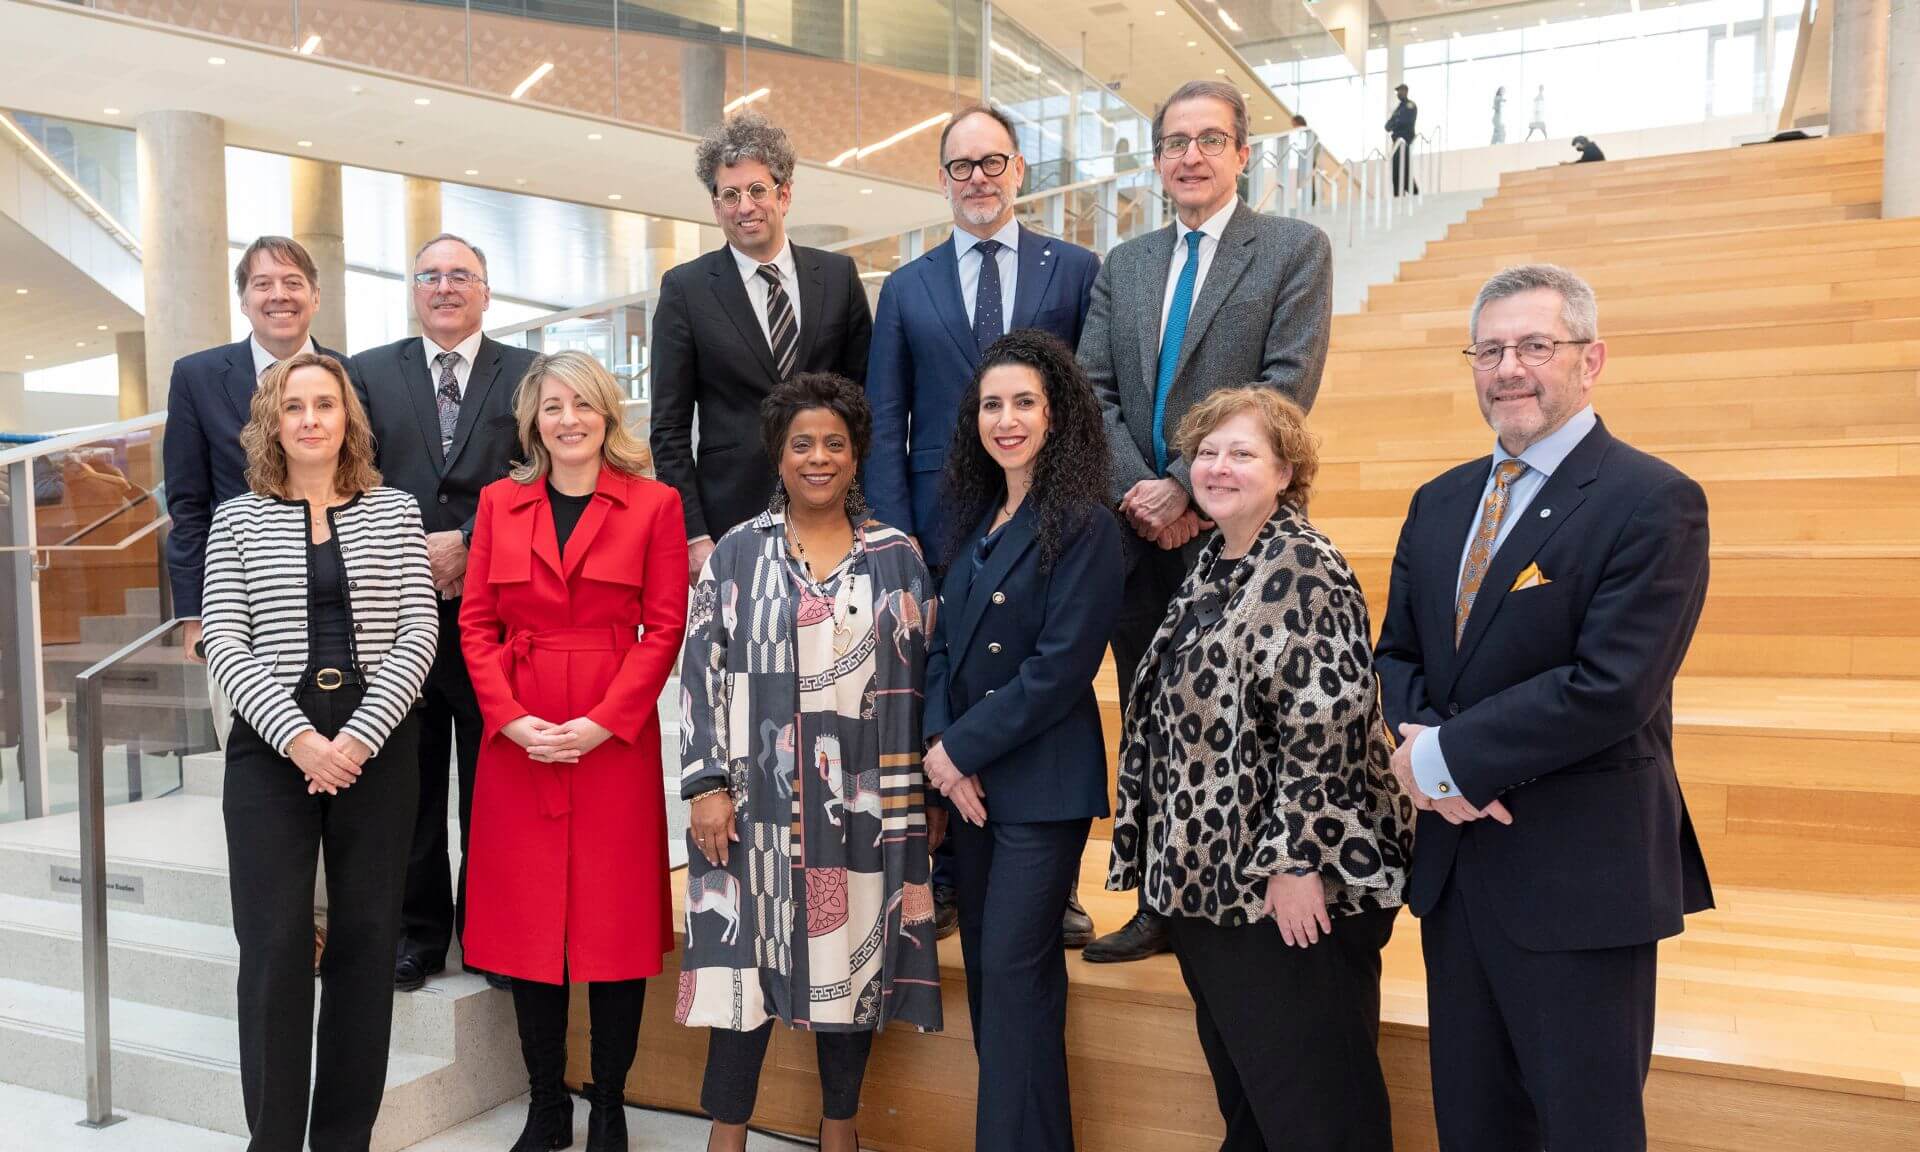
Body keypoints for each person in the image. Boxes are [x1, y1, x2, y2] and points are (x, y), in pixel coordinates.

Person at [1374, 264, 1714, 1151]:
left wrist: (1444, 763)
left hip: (1577, 877)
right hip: (1458, 872)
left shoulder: (1653, 500)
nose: (1509, 368)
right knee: (1474, 1124)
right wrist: (1426, 767)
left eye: (1535, 346)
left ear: (1590, 359)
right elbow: (1398, 654)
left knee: (1584, 1130)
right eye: (1489, 350)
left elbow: (1611, 686)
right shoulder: (1441, 500)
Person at [1107, 386, 1412, 1152]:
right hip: (1210, 889)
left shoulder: (1307, 567)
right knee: (1253, 1105)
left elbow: (1330, 725)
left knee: (1319, 1113)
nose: (1217, 467)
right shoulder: (1215, 560)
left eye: (1242, 453)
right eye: (1207, 452)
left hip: (1283, 891)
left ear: (1286, 471)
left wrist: (1297, 861)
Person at [1077, 79, 1333, 964]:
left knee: (1242, 717)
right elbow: (1091, 390)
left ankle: (1241, 886)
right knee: (1150, 714)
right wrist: (1142, 492)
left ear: (1242, 153)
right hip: (1134, 530)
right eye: (1175, 141)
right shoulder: (1127, 263)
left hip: (1241, 533)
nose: (1191, 155)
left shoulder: (1294, 250)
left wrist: (1188, 485)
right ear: (1156, 159)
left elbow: (1284, 382)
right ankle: (1157, 899)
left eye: (1210, 139)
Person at [676, 373, 942, 1152]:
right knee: (738, 983)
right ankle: (727, 1134)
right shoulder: (734, 555)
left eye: (835, 443)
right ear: (777, 455)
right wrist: (705, 786)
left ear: (857, 456)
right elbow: (701, 674)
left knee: (851, 978)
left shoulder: (898, 557)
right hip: (749, 809)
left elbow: (924, 682)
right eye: (802, 444)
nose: (818, 458)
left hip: (865, 808)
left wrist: (922, 792)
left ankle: (840, 1129)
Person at [865, 102, 1102, 946]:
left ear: (1019, 171)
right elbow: (885, 418)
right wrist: (898, 539)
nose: (978, 179)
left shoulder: (1074, 269)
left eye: (993, 162)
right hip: (938, 526)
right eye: (962, 166)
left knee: (1038, 684)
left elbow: (1090, 400)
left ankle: (1053, 887)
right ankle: (956, 870)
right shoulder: (906, 285)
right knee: (952, 683)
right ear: (942, 179)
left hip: (1044, 519)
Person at [201, 351, 438, 1152]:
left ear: (348, 419)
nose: (310, 419)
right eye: (294, 405)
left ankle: (343, 1139)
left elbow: (419, 633)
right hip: (273, 746)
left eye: (325, 405)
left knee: (367, 941)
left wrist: (359, 737)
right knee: (270, 945)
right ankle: (270, 1139)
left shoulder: (394, 509)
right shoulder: (236, 519)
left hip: (378, 737)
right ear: (273, 420)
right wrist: (301, 740)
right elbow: (227, 646)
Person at [459, 351, 688, 1151]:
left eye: (582, 405)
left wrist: (606, 721)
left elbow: (664, 627)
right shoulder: (499, 501)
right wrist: (509, 717)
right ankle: (546, 1105)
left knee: (615, 928)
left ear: (606, 415)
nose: (567, 420)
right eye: (552, 407)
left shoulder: (655, 504)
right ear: (533, 422)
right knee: (529, 929)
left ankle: (612, 1106)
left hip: (612, 737)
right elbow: (475, 623)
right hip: (517, 739)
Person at [923, 331, 1124, 1152]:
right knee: (997, 978)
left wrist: (958, 751)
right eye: (992, 405)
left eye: (1024, 403)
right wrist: (941, 744)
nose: (1005, 420)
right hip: (969, 785)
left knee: (1011, 972)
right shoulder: (976, 518)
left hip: (1040, 785)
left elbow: (1058, 671)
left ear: (1057, 414)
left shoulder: (1086, 524)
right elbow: (938, 646)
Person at [350, 232, 538, 993]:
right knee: (412, 785)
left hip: (496, 613)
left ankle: (489, 934)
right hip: (399, 613)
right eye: (430, 275)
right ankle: (418, 935)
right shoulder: (368, 373)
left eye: (461, 275)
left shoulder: (528, 373)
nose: (445, 286)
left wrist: (467, 541)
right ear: (413, 290)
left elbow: (538, 469)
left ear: (487, 292)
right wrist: (413, 550)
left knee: (492, 784)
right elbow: (354, 475)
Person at [163, 235, 347, 969]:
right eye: (264, 282)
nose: (280, 294)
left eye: (293, 281)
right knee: (262, 768)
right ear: (243, 297)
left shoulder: (343, 375)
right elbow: (188, 501)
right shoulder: (199, 376)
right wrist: (194, 611)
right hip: (239, 616)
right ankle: (279, 924)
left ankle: (330, 914)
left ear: (315, 295)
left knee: (334, 770)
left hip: (337, 613)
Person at [650, 111, 873, 587]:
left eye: (756, 190)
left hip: (834, 510)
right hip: (730, 521)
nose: (744, 206)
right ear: (715, 206)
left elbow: (864, 405)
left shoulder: (838, 278)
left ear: (784, 193)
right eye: (729, 195)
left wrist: (866, 506)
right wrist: (692, 535)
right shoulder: (685, 289)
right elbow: (668, 428)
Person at [1386, 83, 1418, 197]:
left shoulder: (1410, 105)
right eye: (1397, 91)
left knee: (1404, 168)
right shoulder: (1399, 108)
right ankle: (1398, 194)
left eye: (1400, 91)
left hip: (1404, 141)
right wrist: (1395, 123)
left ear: (1405, 91)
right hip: (1396, 142)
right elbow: (1387, 126)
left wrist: (1395, 123)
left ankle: (1414, 192)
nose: (1398, 93)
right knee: (1396, 169)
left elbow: (1406, 122)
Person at [1291, 114, 1319, 207]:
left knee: (1309, 180)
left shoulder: (1309, 133)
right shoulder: (1300, 133)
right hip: (1302, 160)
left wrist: (1313, 160)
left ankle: (1311, 201)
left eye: (1294, 124)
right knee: (1302, 180)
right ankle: (1304, 202)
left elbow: (1315, 147)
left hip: (1309, 160)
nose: (1293, 126)